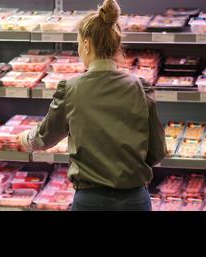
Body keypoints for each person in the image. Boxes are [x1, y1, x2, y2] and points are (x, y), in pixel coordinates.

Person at [18, 0, 166, 211]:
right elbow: (157, 150)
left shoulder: (72, 89)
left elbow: (44, 137)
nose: (78, 49)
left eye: (78, 43)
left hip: (91, 201)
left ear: (86, 44)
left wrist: (25, 138)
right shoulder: (139, 87)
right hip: (135, 199)